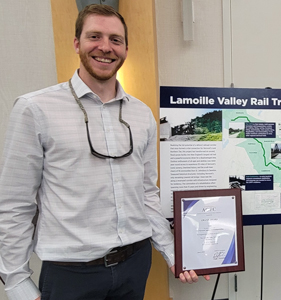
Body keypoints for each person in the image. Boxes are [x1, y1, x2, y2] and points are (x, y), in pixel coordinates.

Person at [0, 4, 208, 300]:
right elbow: (15, 204)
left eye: (115, 39)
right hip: (70, 273)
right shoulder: (35, 109)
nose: (105, 47)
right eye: (94, 36)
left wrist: (174, 253)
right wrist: (17, 282)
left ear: (125, 48)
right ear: (77, 43)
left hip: (135, 265)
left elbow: (147, 194)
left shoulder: (141, 113)